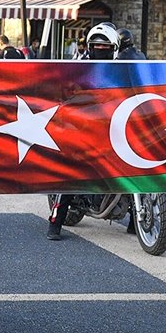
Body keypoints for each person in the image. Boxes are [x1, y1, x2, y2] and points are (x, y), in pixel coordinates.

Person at [47, 23, 123, 240]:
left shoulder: (124, 68)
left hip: (115, 127)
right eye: (95, 46)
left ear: (114, 48)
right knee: (71, 171)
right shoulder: (77, 69)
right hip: (83, 128)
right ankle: (56, 221)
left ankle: (135, 222)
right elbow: (63, 94)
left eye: (104, 46)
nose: (100, 49)